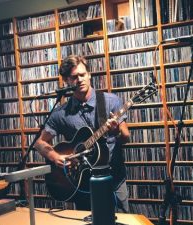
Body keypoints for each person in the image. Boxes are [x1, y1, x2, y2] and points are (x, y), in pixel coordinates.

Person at [35, 55, 130, 212]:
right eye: (74, 77)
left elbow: (125, 137)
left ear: (89, 74)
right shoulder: (60, 113)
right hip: (82, 181)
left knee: (122, 220)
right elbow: (39, 143)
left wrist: (115, 131)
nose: (79, 80)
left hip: (113, 178)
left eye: (82, 74)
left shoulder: (110, 101)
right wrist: (55, 157)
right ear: (66, 80)